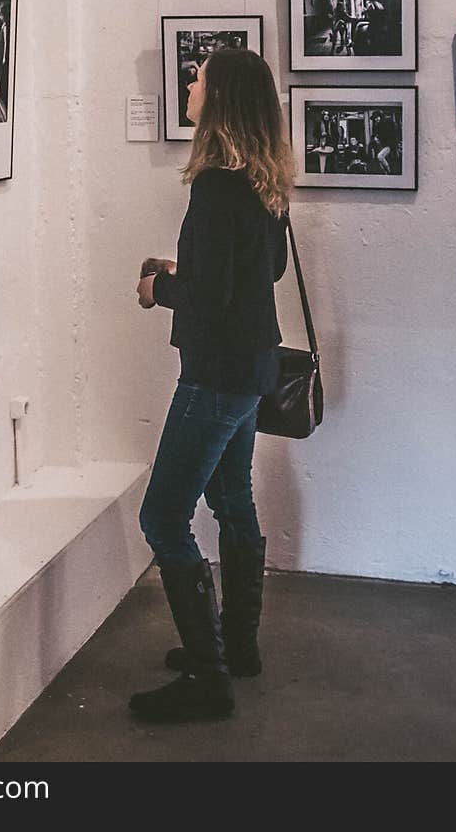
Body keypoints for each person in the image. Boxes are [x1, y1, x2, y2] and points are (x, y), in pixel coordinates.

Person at [131, 48, 295, 723]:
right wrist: (190, 267)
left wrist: (157, 287)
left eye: (199, 80)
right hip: (255, 363)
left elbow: (210, 295)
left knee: (163, 516)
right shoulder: (264, 182)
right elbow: (266, 271)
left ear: (220, 99)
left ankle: (208, 677)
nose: (190, 86)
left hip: (217, 373)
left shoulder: (216, 186)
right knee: (231, 500)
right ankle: (238, 646)